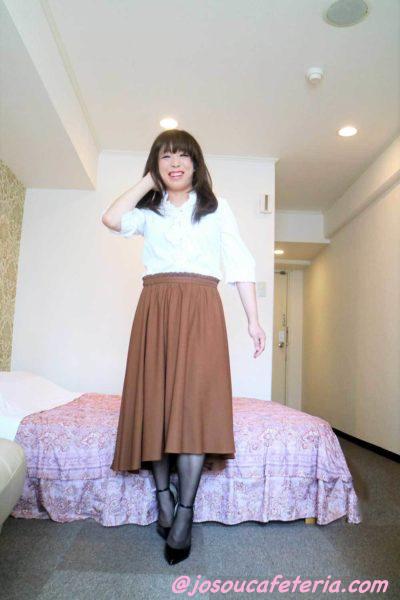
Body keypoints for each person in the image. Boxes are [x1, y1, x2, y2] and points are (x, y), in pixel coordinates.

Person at [101, 129, 266, 565]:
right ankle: (163, 499)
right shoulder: (147, 210)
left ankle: (185, 513)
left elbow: (240, 263)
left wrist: (253, 321)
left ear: (196, 163)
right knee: (156, 405)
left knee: (193, 407)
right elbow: (111, 218)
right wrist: (147, 182)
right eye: (165, 157)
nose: (175, 163)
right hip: (155, 306)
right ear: (156, 166)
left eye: (182, 156)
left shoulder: (216, 208)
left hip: (201, 307)